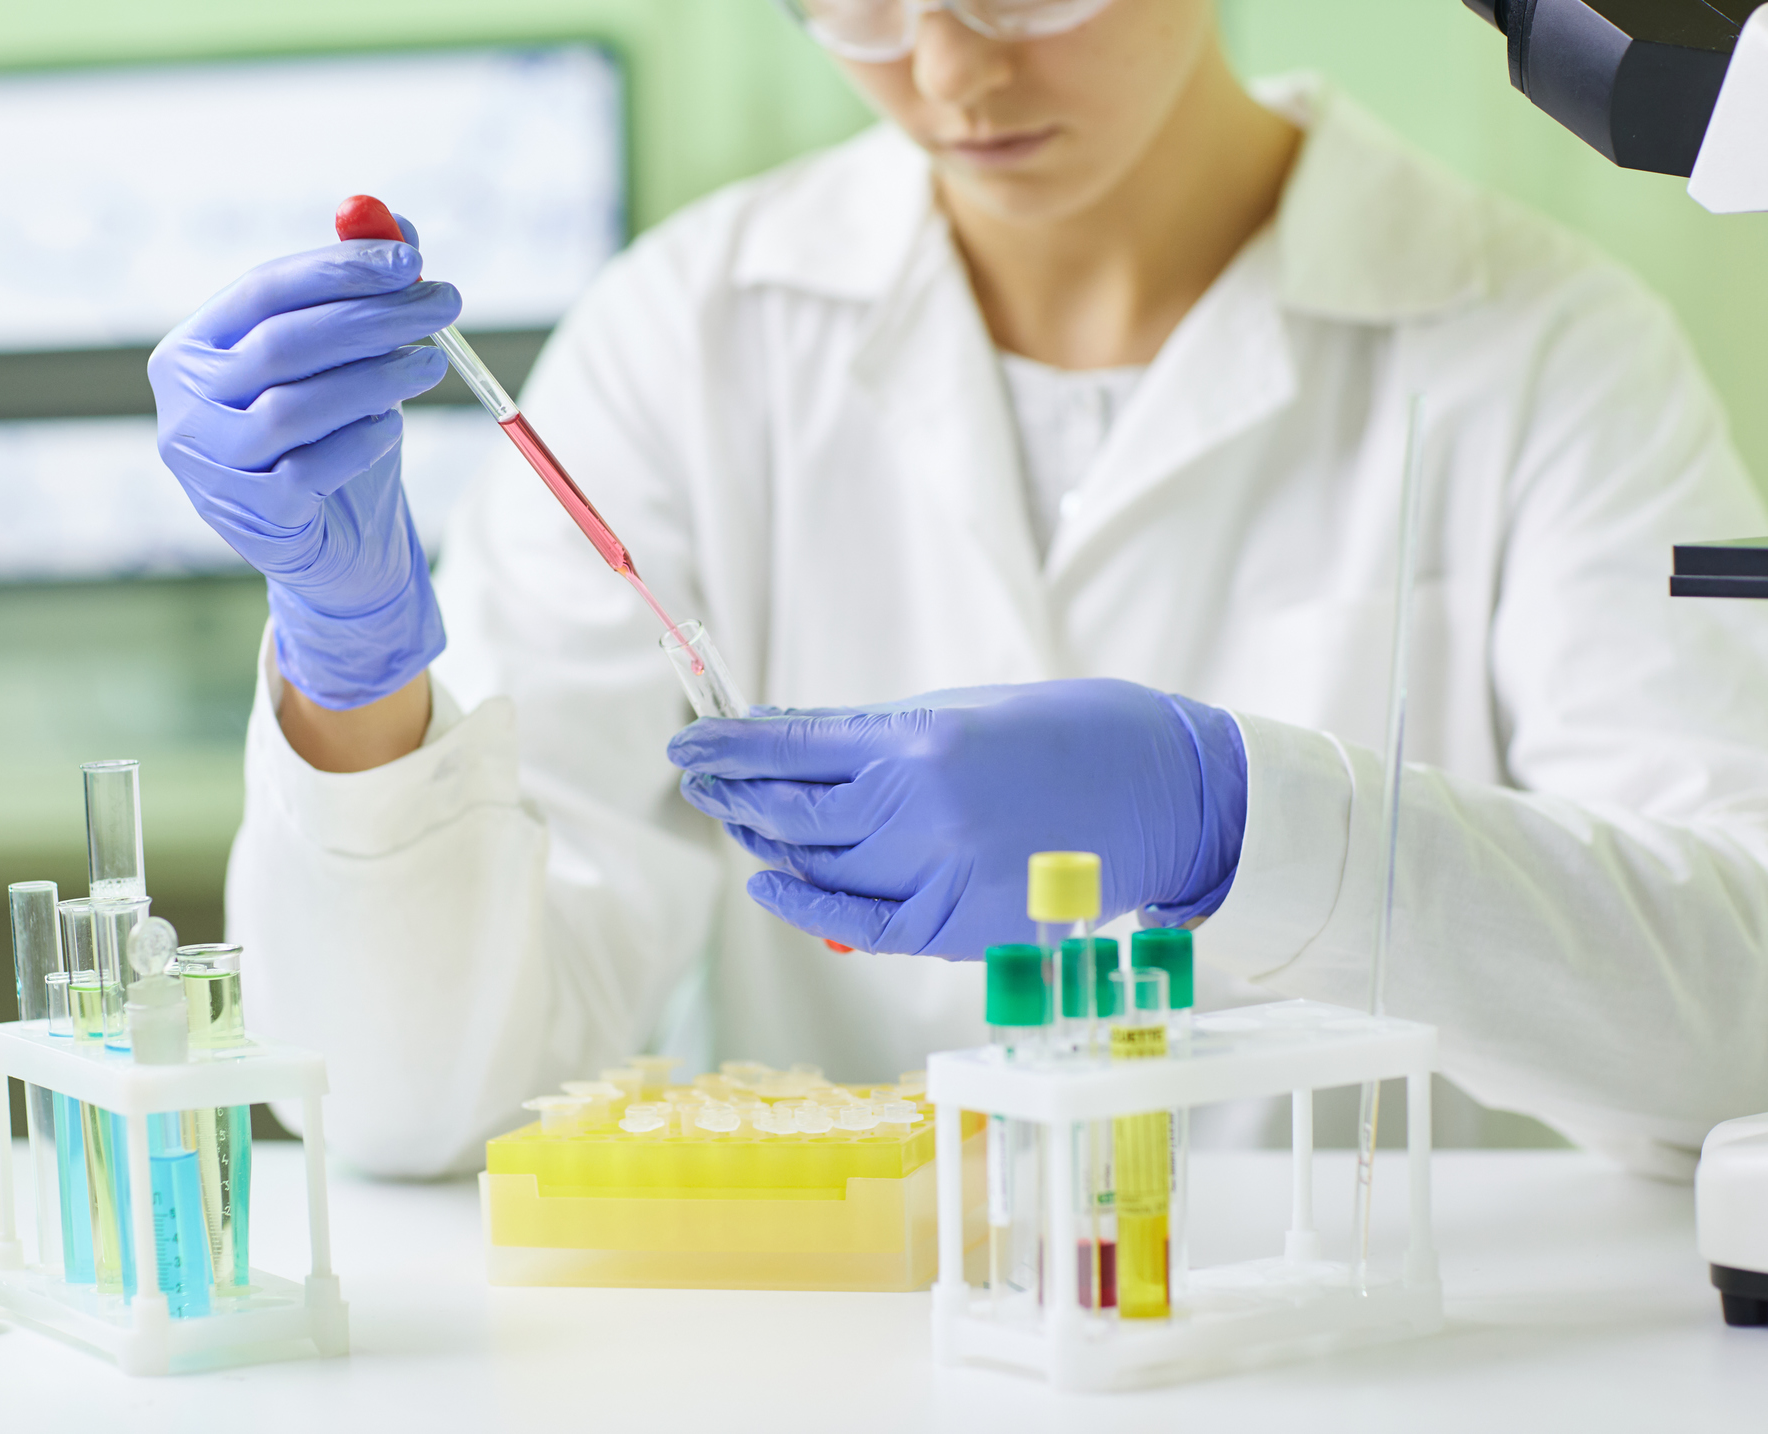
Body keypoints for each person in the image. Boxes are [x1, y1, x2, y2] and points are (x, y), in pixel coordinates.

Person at [149, 0, 1768, 1180]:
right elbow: (405, 1098)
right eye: (856, 0)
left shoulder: (1545, 348)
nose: (946, 69)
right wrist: (354, 680)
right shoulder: (688, 336)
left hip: (1378, 1359)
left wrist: (1245, 819)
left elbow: (1738, 1032)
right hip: (862, 1354)